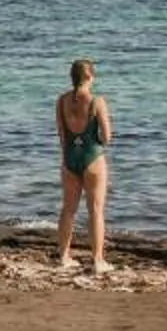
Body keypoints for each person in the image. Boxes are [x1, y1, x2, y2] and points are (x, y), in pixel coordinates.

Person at [55, 58, 113, 274]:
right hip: (92, 158)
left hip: (70, 157)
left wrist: (67, 155)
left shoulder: (61, 101)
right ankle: (98, 260)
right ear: (89, 77)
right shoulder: (97, 102)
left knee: (68, 209)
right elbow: (106, 137)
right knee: (96, 210)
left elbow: (62, 134)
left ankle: (64, 256)